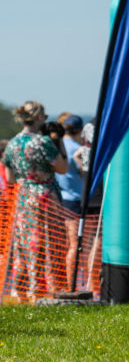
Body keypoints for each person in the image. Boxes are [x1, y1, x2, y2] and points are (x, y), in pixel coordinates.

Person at [1, 101, 68, 299]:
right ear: (39, 118)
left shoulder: (12, 143)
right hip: (45, 196)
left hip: (23, 196)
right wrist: (59, 143)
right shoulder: (42, 142)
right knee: (51, 242)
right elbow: (62, 168)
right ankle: (53, 288)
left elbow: (10, 178)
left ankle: (24, 288)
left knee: (26, 242)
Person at [55, 114, 84, 288]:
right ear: (80, 131)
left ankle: (62, 281)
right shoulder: (77, 149)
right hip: (74, 200)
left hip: (59, 200)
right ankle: (70, 284)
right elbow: (85, 172)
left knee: (62, 244)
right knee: (74, 245)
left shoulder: (57, 146)